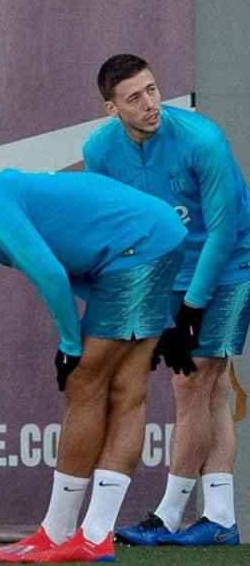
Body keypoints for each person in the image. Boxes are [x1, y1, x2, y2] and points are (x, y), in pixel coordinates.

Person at [0, 166, 187, 563]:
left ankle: (62, 533)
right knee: (127, 389)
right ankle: (89, 536)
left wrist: (70, 342)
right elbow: (72, 255)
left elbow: (50, 271)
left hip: (139, 247)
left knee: (85, 381)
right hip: (152, 238)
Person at [84, 54, 250, 547]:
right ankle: (219, 517)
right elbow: (120, 227)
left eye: (153, 89)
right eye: (134, 98)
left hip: (231, 263)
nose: (151, 104)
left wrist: (192, 310)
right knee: (208, 387)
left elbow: (222, 232)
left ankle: (169, 515)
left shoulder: (203, 141)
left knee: (191, 382)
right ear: (110, 108)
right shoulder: (99, 151)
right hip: (168, 270)